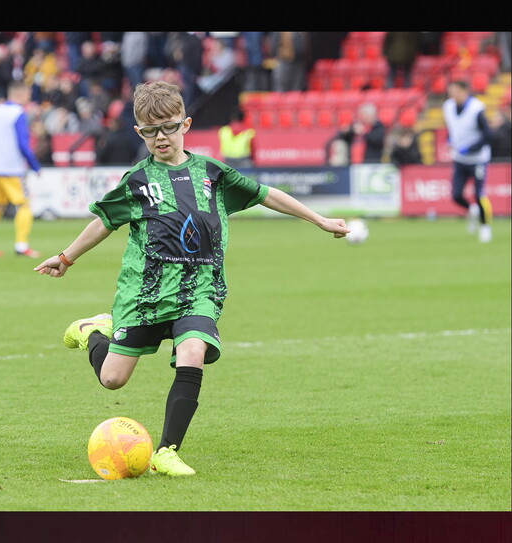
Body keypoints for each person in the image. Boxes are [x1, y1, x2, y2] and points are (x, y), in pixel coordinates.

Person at [32, 81, 349, 476]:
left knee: (193, 351)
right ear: (138, 132)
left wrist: (319, 220)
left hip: (199, 289)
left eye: (167, 127)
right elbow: (103, 223)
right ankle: (92, 331)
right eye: (150, 131)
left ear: (185, 124)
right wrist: (66, 257)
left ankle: (167, 450)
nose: (160, 137)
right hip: (145, 293)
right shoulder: (137, 181)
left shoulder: (211, 173)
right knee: (112, 380)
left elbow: (266, 193)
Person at [0, 81, 43, 257]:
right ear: (19, 94)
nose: (28, 98)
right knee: (24, 205)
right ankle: (21, 245)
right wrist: (34, 165)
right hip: (12, 168)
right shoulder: (18, 113)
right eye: (27, 95)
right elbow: (23, 143)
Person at [442, 80, 495, 243]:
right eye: (451, 91)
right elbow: (452, 128)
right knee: (456, 195)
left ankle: (485, 226)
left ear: (465, 91)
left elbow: (488, 136)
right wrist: (449, 140)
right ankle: (471, 210)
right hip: (459, 159)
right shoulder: (448, 107)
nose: (452, 95)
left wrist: (471, 148)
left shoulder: (476, 109)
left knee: (479, 194)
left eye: (456, 91)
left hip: (478, 159)